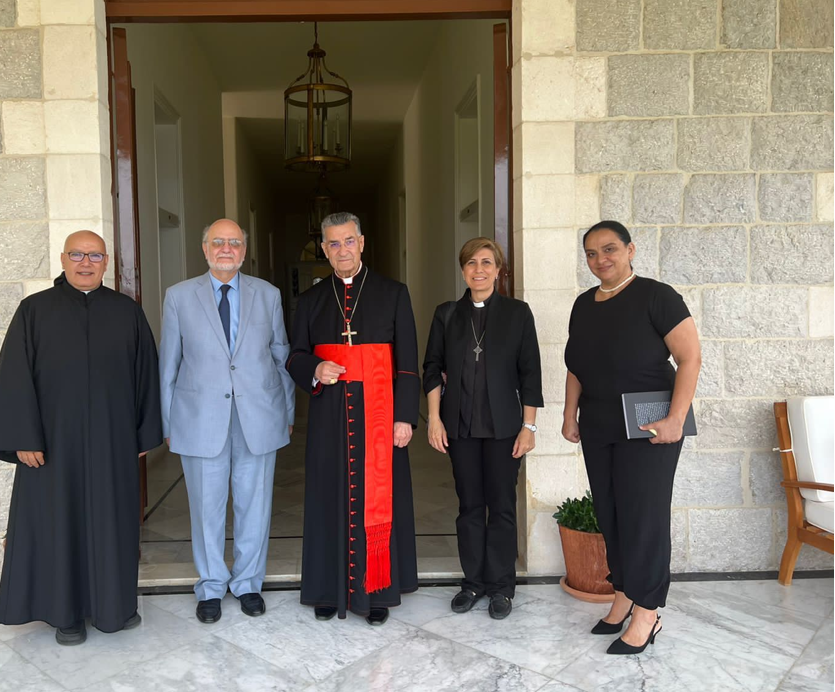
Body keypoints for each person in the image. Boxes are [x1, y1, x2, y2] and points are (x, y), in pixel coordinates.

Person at [0, 230, 162, 646]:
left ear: (106, 262)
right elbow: (14, 377)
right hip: (52, 446)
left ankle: (114, 608)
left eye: (95, 255)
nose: (85, 263)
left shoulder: (127, 312)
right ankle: (66, 616)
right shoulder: (34, 310)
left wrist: (144, 434)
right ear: (63, 259)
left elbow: (146, 375)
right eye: (77, 254)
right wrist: (23, 437)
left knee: (113, 526)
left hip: (113, 442)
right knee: (58, 527)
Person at [563, 221, 701, 655]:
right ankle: (623, 593)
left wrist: (676, 418)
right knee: (611, 513)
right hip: (599, 424)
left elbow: (690, 357)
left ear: (630, 250)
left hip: (649, 425)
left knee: (644, 517)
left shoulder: (657, 296)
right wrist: (569, 415)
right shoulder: (583, 304)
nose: (600, 259)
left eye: (609, 249)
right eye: (591, 253)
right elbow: (576, 366)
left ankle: (648, 611)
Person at [286, 212, 419, 625]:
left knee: (380, 501)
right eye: (333, 243)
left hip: (380, 415)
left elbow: (408, 363)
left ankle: (377, 594)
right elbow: (293, 355)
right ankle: (327, 589)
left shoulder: (393, 293)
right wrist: (314, 368)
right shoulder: (311, 300)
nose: (341, 250)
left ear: (361, 243)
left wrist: (405, 417)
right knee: (327, 498)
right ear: (324, 250)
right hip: (329, 416)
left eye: (348, 241)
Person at [160, 219, 295, 624]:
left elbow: (281, 355)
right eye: (218, 242)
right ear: (204, 249)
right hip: (199, 418)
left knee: (256, 505)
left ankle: (249, 583)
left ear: (244, 250)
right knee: (206, 508)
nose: (226, 249)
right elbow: (168, 364)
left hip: (259, 416)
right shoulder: (178, 296)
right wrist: (168, 423)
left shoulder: (267, 294)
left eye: (234, 243)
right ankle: (211, 586)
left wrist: (287, 413)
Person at [422, 237, 543, 620]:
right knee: (470, 507)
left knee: (502, 507)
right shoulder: (446, 314)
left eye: (487, 262)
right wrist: (434, 419)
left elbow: (530, 373)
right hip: (460, 428)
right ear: (463, 270)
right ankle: (473, 583)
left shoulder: (518, 314)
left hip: (505, 428)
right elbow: (431, 368)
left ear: (498, 270)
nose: (479, 270)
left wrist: (529, 426)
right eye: (471, 263)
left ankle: (502, 587)